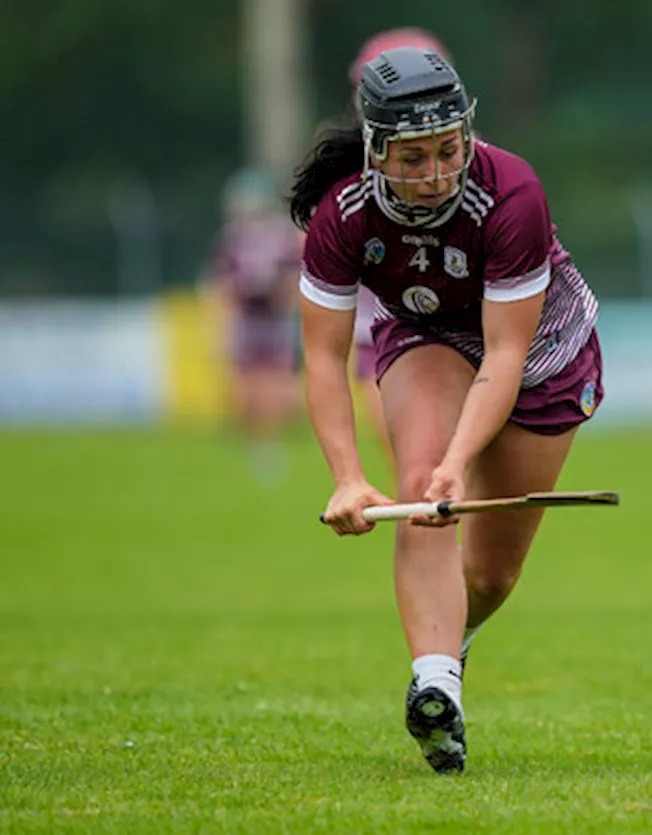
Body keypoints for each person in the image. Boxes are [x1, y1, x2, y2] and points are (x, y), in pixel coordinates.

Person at [290, 47, 603, 774]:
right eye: (412, 158)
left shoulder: (513, 192)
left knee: (491, 574)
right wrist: (346, 476)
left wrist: (464, 464)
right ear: (374, 151)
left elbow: (503, 354)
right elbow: (323, 358)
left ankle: (449, 645)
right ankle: (436, 690)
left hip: (538, 354)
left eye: (448, 151)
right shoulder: (343, 216)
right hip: (429, 334)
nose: (434, 175)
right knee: (424, 480)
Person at [347, 29, 455, 468]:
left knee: (445, 470)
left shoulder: (466, 155)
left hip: (452, 329)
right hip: (378, 330)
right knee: (413, 469)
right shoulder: (348, 167)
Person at [203, 167, 302, 484]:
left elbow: (293, 277)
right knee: (244, 388)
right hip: (247, 320)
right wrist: (221, 322)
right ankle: (255, 443)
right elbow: (223, 284)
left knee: (278, 385)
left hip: (274, 320)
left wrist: (284, 299)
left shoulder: (283, 235)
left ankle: (269, 444)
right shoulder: (231, 239)